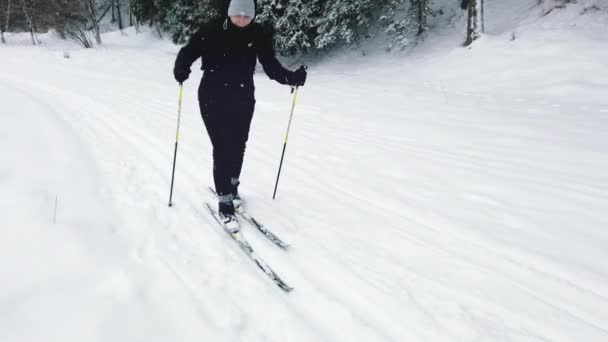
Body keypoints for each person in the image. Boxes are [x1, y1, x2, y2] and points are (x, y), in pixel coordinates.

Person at [173, 0, 307, 232]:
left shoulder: (257, 33)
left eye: (247, 15)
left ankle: (232, 186)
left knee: (238, 144)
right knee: (223, 147)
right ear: (230, 13)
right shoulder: (211, 29)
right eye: (238, 15)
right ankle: (225, 202)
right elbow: (188, 51)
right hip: (212, 95)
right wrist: (181, 68)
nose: (242, 19)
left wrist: (291, 78)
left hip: (243, 95)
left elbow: (270, 65)